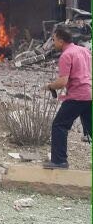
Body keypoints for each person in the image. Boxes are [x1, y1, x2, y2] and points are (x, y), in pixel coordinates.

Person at [44, 25, 92, 169]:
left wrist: (50, 86)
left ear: (60, 40)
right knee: (90, 130)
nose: (53, 43)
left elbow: (62, 82)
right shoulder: (84, 50)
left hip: (76, 97)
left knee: (59, 125)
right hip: (89, 94)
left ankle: (59, 161)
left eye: (54, 40)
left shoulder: (66, 55)